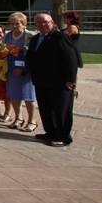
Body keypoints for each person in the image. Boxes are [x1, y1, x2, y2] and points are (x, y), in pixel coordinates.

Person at [26, 13, 79, 147]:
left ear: (52, 23)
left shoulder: (60, 37)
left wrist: (70, 80)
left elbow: (71, 60)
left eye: (46, 22)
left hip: (59, 82)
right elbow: (31, 57)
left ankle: (63, 136)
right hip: (41, 81)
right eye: (39, 23)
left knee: (61, 110)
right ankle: (50, 132)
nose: (42, 25)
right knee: (45, 109)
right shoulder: (36, 38)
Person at [5, 12, 37, 132]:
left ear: (24, 24)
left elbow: (34, 56)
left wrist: (24, 69)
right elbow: (4, 50)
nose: (14, 26)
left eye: (17, 23)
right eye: (12, 23)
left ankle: (32, 121)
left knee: (28, 97)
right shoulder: (7, 36)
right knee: (14, 95)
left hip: (26, 72)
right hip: (12, 70)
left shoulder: (30, 36)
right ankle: (18, 118)